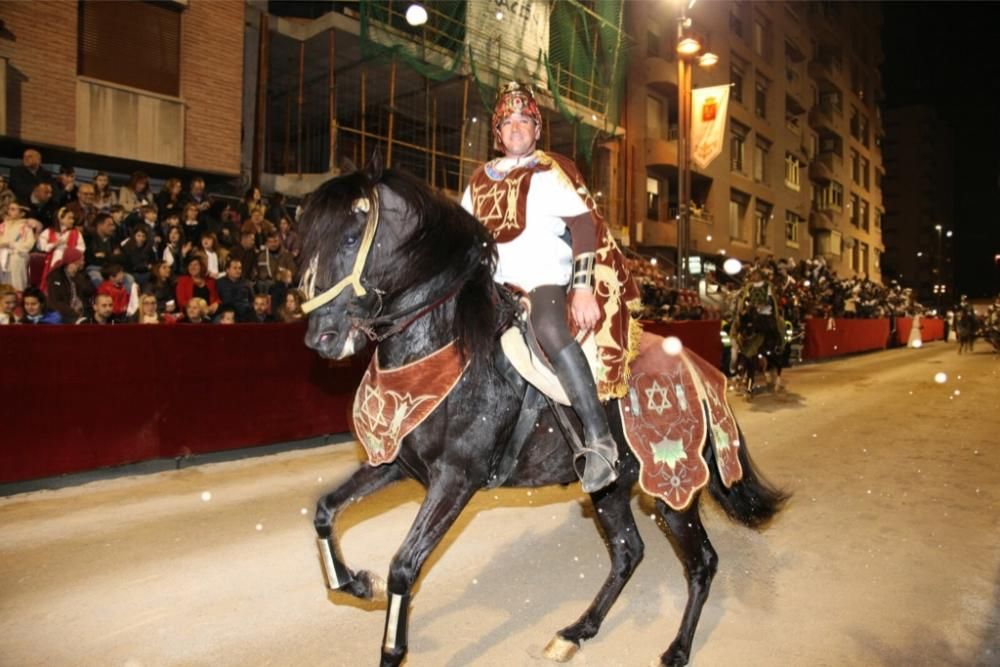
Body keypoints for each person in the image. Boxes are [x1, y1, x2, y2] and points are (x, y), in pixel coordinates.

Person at [461, 81, 641, 493]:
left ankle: (600, 439)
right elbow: (463, 235)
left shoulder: (548, 173)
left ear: (537, 130)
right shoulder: (478, 179)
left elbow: (583, 226)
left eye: (525, 121)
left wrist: (581, 289)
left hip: (543, 281)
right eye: (508, 123)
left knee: (549, 328)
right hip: (494, 288)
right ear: (498, 133)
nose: (517, 128)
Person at [37, 207, 86, 289]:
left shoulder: (76, 234)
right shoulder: (49, 231)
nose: (72, 221)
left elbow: (80, 249)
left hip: (69, 262)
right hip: (51, 261)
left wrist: (68, 253)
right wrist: (54, 245)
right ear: (61, 219)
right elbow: (41, 246)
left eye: (73, 218)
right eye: (69, 218)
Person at [45, 247, 93, 323]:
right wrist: (72, 313)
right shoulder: (56, 276)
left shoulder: (81, 275)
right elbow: (55, 301)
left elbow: (90, 292)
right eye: (81, 260)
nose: (83, 262)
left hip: (82, 311)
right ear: (73, 261)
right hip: (64, 313)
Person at [0, 203, 37, 291]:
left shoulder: (26, 227)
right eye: (9, 209)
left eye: (13, 209)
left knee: (16, 284)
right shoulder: (2, 226)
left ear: (22, 213)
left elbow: (29, 244)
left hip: (16, 258)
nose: (9, 211)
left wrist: (11, 245)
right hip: (1, 257)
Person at [216, 257, 254, 321]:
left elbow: (252, 300)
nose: (238, 271)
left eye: (240, 268)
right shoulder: (219, 283)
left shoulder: (247, 283)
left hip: (244, 313)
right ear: (227, 270)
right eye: (235, 268)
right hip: (227, 313)